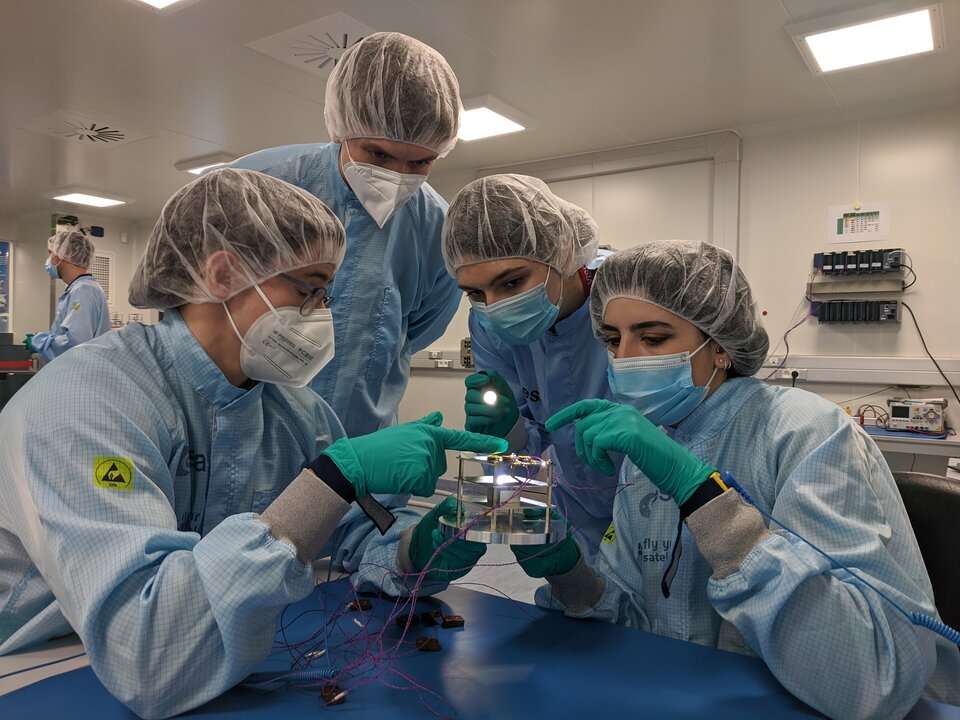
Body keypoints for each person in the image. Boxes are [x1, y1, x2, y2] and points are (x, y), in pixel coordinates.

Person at [0, 168, 506, 719]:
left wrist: (420, 546)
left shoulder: (299, 412)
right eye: (309, 290)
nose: (322, 317)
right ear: (222, 273)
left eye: (328, 296)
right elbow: (146, 654)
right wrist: (330, 481)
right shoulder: (88, 402)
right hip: (42, 663)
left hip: (213, 659)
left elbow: (356, 534)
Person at [511, 240, 960, 718]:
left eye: (654, 337)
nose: (625, 358)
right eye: (612, 339)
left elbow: (868, 683)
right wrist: (569, 573)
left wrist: (702, 495)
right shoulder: (647, 452)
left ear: (721, 346)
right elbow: (638, 625)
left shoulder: (804, 431)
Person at [229, 31, 462, 437]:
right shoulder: (251, 189)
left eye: (421, 162)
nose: (397, 176)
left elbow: (412, 336)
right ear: (341, 126)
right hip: (244, 454)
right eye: (378, 154)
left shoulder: (437, 230)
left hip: (362, 464)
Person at [441, 174, 619, 560]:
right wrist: (509, 431)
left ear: (563, 251)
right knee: (574, 598)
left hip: (651, 498)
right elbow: (525, 452)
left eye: (512, 282)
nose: (494, 306)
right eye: (475, 293)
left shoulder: (627, 293)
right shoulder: (487, 324)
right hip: (570, 503)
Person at [26, 229, 110, 362]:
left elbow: (75, 342)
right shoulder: (81, 288)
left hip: (80, 374)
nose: (49, 260)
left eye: (51, 254)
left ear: (63, 254)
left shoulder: (83, 290)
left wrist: (39, 342)